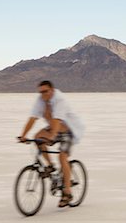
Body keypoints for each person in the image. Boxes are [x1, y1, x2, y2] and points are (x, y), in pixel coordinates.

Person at [18, 80, 84, 208]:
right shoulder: (40, 101)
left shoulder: (60, 100)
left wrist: (52, 136)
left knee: (62, 156)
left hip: (68, 131)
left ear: (52, 90)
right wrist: (23, 135)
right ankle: (50, 166)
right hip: (53, 129)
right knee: (37, 138)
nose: (43, 94)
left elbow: (57, 120)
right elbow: (33, 118)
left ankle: (68, 192)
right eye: (41, 92)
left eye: (45, 91)